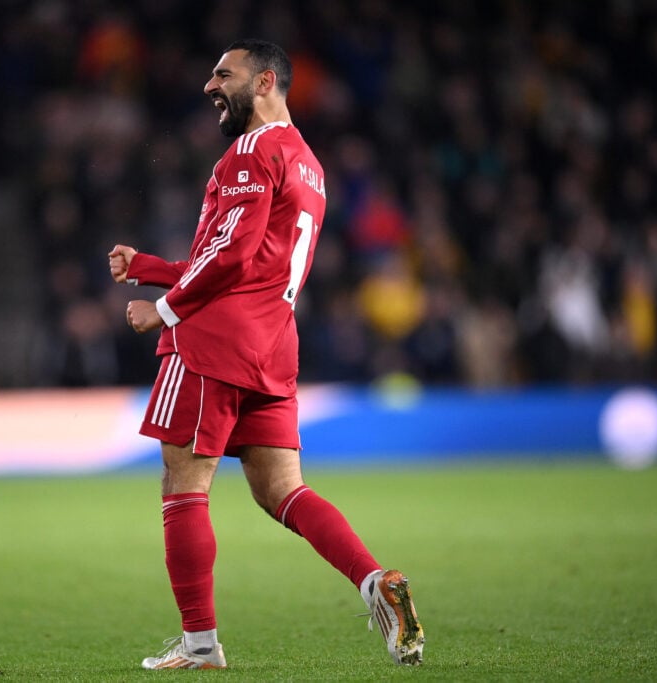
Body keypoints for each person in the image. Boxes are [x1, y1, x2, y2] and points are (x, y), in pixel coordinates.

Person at [108, 39, 424, 670]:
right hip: (272, 344)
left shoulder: (251, 151)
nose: (209, 86)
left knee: (183, 485)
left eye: (223, 74)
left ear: (265, 82)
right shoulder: (308, 163)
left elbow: (230, 258)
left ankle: (201, 646)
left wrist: (163, 309)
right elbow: (251, 261)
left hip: (212, 344)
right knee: (282, 489)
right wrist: (152, 268)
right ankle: (374, 582)